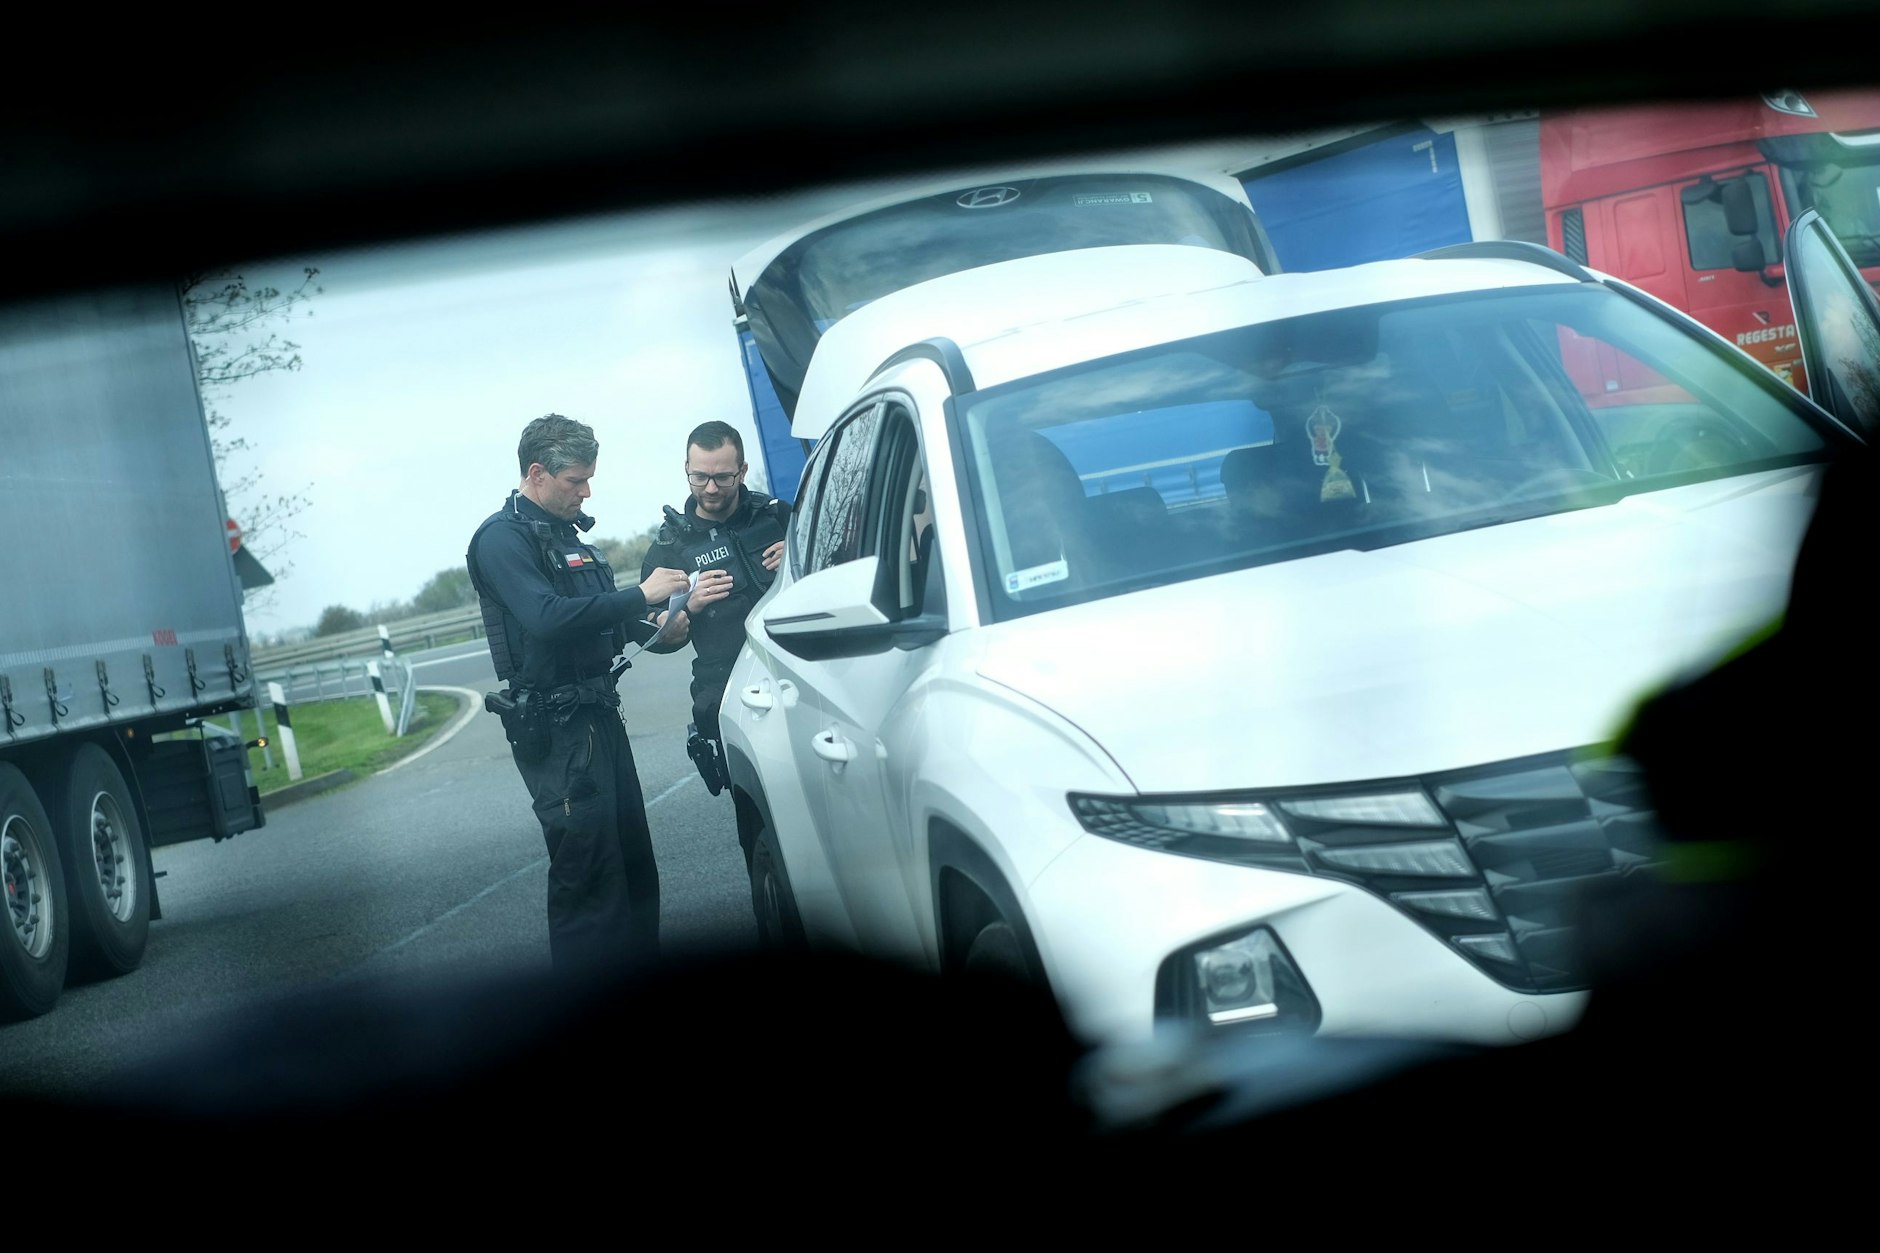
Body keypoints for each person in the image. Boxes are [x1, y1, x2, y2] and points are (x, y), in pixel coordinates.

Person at [466, 414, 692, 978]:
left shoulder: (569, 539)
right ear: (537, 474)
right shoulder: (502, 539)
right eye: (576, 480)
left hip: (599, 718)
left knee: (633, 868)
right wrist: (639, 591)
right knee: (588, 878)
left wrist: (665, 625)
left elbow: (610, 626)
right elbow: (545, 618)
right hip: (556, 729)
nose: (587, 491)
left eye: (590, 479)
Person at [639, 421, 789, 803]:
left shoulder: (779, 517)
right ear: (686, 470)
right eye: (699, 476)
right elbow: (648, 634)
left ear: (742, 471)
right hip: (730, 691)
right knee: (757, 807)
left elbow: (838, 569)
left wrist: (801, 555)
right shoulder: (669, 547)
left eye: (723, 477)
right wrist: (684, 607)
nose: (710, 488)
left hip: (797, 673)